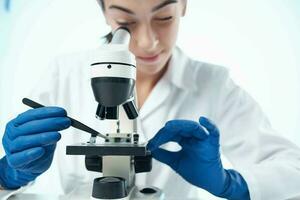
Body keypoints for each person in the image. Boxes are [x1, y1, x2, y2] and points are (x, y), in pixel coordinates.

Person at [1, 0, 300, 199]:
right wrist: (9, 174)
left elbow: (293, 170)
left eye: (164, 17)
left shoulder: (214, 85)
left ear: (183, 5)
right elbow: (12, 172)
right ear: (105, 12)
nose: (147, 42)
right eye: (125, 23)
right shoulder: (63, 72)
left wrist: (230, 184)